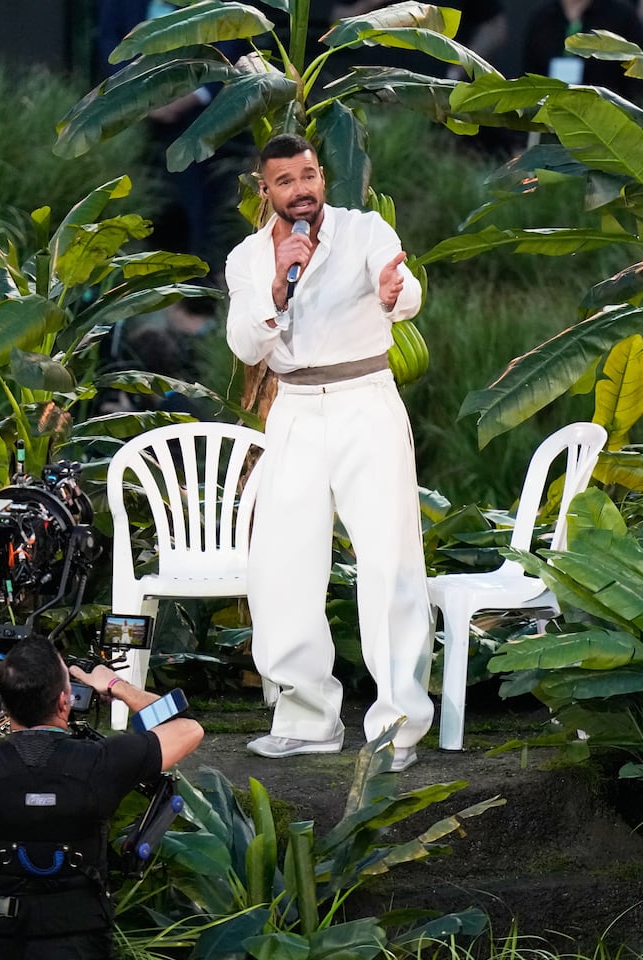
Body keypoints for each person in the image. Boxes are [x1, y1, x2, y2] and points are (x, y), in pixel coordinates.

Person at [224, 133, 433, 773]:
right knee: (281, 566)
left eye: (309, 175)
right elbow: (243, 345)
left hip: (365, 400)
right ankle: (306, 719)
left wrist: (400, 296)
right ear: (266, 192)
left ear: (322, 177)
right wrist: (278, 290)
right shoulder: (247, 258)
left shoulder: (364, 229)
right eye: (285, 181)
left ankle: (397, 728)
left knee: (388, 563)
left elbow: (402, 287)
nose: (302, 189)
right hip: (293, 408)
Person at [0, 640, 204, 959]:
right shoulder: (104, 761)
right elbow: (187, 728)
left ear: (5, 707)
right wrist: (116, 685)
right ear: (64, 701)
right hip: (82, 946)